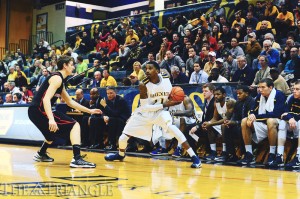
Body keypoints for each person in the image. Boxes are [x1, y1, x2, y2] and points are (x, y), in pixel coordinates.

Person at [104, 61, 201, 168]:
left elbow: (171, 92)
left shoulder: (165, 77)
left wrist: (173, 100)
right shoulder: (143, 84)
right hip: (145, 113)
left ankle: (194, 157)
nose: (147, 71)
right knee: (123, 138)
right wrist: (165, 104)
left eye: (150, 68)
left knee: (174, 129)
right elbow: (145, 107)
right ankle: (120, 154)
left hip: (160, 113)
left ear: (158, 71)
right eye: (146, 69)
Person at [28, 56, 102, 168]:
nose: (73, 67)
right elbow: (46, 99)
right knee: (74, 125)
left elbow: (70, 102)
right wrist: (51, 119)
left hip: (35, 111)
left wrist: (89, 110)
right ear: (65, 65)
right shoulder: (57, 78)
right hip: (38, 110)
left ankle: (41, 153)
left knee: (51, 134)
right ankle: (77, 159)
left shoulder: (60, 82)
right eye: (71, 64)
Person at [237, 78, 286, 166]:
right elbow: (252, 109)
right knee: (244, 121)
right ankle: (249, 153)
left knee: (270, 121)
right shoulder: (260, 96)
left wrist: (256, 116)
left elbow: (276, 114)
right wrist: (251, 115)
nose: (260, 89)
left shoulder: (279, 95)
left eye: (263, 87)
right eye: (259, 87)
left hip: (278, 122)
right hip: (263, 121)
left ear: (270, 87)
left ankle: (272, 153)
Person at [223, 85, 255, 162]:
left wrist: (235, 122)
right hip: (239, 124)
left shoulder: (252, 101)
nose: (238, 95)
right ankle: (231, 154)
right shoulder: (238, 103)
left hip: (250, 125)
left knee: (241, 128)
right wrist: (230, 121)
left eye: (240, 93)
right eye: (237, 93)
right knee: (226, 127)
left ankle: (246, 153)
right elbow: (235, 116)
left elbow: (249, 118)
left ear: (247, 93)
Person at [277, 80, 300, 169]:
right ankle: (279, 156)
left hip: (297, 123)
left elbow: (288, 114)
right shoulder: (291, 97)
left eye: (297, 89)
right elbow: (284, 112)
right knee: (282, 123)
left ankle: (298, 158)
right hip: (293, 124)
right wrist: (290, 118)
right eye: (293, 89)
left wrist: (290, 116)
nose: (294, 91)